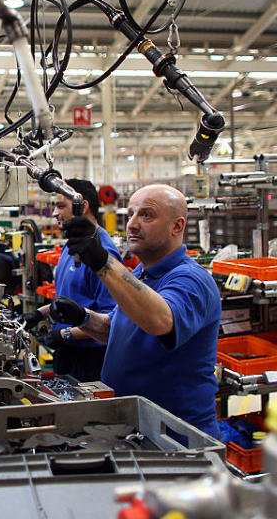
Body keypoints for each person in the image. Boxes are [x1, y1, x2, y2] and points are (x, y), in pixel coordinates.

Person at [32, 184, 221, 438]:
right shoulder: (141, 274)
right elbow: (119, 331)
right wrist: (83, 318)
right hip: (136, 425)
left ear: (177, 226)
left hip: (176, 436)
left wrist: (103, 262)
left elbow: (161, 321)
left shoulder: (191, 279)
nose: (131, 224)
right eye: (131, 213)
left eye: (146, 215)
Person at [40, 179, 121, 382]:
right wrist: (37, 314)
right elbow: (71, 298)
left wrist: (65, 334)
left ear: (82, 205)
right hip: (69, 353)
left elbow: (111, 319)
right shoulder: (73, 244)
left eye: (60, 206)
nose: (55, 214)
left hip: (90, 359)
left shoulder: (103, 252)